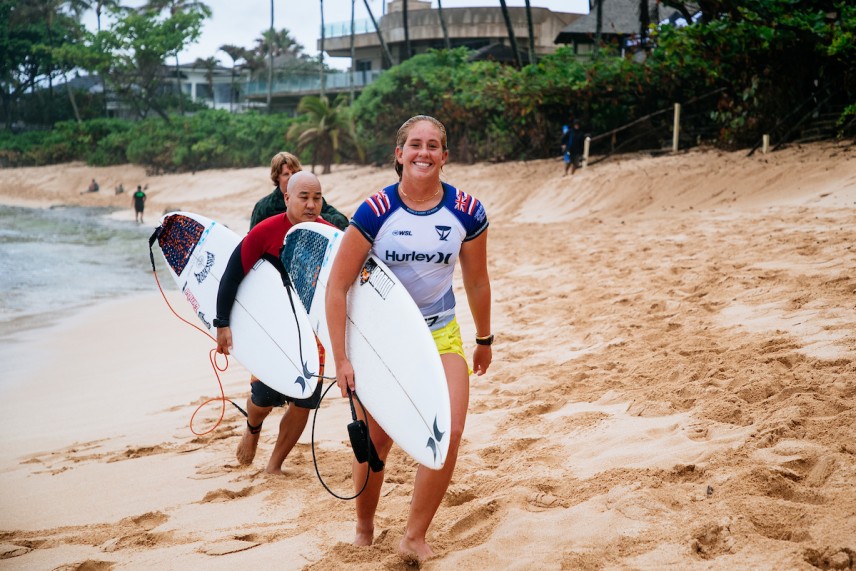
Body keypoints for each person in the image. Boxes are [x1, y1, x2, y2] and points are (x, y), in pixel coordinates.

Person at [325, 115, 493, 562]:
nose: (424, 152)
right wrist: (341, 359)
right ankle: (364, 526)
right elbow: (337, 286)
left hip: (440, 332)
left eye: (433, 145)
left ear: (445, 155)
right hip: (383, 341)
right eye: (415, 145)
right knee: (378, 440)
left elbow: (477, 281)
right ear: (399, 154)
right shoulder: (375, 211)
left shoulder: (467, 212)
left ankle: (414, 536)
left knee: (449, 430)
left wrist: (485, 337)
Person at [214, 171, 335, 475]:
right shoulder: (266, 232)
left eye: (317, 198)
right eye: (304, 197)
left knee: (305, 399)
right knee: (264, 397)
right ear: (287, 198)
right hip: (273, 327)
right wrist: (223, 323)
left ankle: (274, 465)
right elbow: (232, 275)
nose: (311, 204)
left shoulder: (329, 235)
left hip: (310, 330)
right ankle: (252, 428)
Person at [250, 151, 348, 231]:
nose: (291, 177)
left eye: (294, 172)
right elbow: (252, 240)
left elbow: (343, 221)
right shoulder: (264, 207)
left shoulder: (313, 200)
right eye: (286, 174)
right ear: (277, 177)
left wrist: (318, 219)